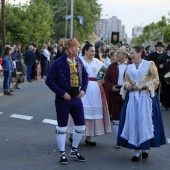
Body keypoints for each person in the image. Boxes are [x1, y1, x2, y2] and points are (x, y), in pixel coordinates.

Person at [117, 45, 166, 161]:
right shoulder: (129, 67)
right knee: (134, 122)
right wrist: (127, 85)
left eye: (133, 53)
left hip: (146, 98)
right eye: (130, 53)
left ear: (140, 53)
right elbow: (125, 81)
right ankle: (136, 151)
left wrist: (143, 85)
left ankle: (145, 149)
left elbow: (156, 81)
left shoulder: (150, 64)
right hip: (133, 99)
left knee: (144, 122)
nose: (131, 55)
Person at [45, 37, 88, 164]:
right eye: (77, 47)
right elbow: (49, 80)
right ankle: (62, 153)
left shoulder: (79, 60)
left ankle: (74, 151)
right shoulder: (58, 62)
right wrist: (62, 93)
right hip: (62, 100)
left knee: (81, 126)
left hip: (76, 98)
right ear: (70, 48)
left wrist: (83, 90)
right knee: (62, 127)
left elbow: (85, 76)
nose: (79, 49)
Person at [67, 41, 111, 146]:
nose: (93, 53)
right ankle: (73, 135)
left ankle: (89, 137)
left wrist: (99, 81)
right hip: (81, 88)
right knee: (78, 111)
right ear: (85, 51)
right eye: (91, 51)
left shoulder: (98, 62)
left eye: (94, 51)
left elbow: (104, 72)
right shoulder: (79, 60)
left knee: (92, 113)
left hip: (95, 89)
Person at [105, 46, 130, 148]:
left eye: (119, 53)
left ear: (124, 55)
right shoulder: (112, 66)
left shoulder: (131, 65)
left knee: (128, 116)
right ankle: (118, 141)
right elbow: (107, 79)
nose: (116, 55)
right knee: (116, 117)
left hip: (128, 93)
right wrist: (111, 87)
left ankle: (128, 139)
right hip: (115, 92)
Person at [158, 44, 170, 110]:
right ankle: (166, 104)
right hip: (165, 77)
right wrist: (160, 66)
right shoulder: (163, 57)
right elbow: (157, 64)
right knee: (165, 91)